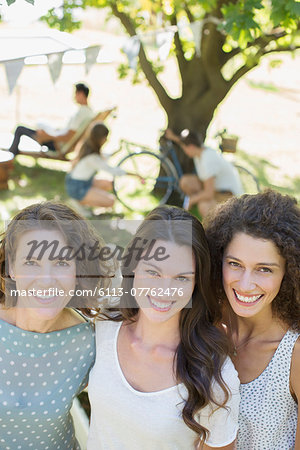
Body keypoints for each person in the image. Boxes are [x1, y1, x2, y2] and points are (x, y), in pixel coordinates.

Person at [87, 205, 240, 450]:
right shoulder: (104, 323)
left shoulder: (213, 374)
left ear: (196, 284)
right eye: (153, 272)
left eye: (181, 278)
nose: (164, 290)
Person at [0, 201, 112, 449]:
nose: (46, 279)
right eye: (32, 262)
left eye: (61, 263)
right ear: (11, 267)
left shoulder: (89, 342)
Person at [204, 189, 300, 449]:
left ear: (289, 273)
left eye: (264, 269)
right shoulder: (204, 325)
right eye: (235, 264)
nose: (245, 285)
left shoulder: (294, 353)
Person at [165, 128, 243, 217]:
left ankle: (213, 224)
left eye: (185, 148)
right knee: (185, 181)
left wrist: (192, 200)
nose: (184, 151)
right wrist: (173, 137)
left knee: (203, 205)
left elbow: (209, 193)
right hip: (216, 188)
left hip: (228, 195)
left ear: (191, 147)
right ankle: (206, 204)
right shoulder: (200, 150)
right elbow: (183, 142)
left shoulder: (207, 160)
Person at [66, 122, 141, 209]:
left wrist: (117, 151)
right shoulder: (92, 157)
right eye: (105, 137)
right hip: (77, 188)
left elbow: (102, 157)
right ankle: (78, 201)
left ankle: (87, 198)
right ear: (100, 139)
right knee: (111, 201)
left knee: (110, 184)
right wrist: (135, 175)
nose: (106, 140)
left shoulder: (88, 147)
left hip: (82, 182)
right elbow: (112, 170)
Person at [8, 83, 94, 156]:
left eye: (75, 93)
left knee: (20, 129)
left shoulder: (80, 114)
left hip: (56, 143)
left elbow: (68, 137)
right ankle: (13, 152)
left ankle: (10, 155)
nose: (74, 96)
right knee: (39, 126)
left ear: (81, 94)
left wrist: (47, 136)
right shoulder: (89, 112)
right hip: (57, 137)